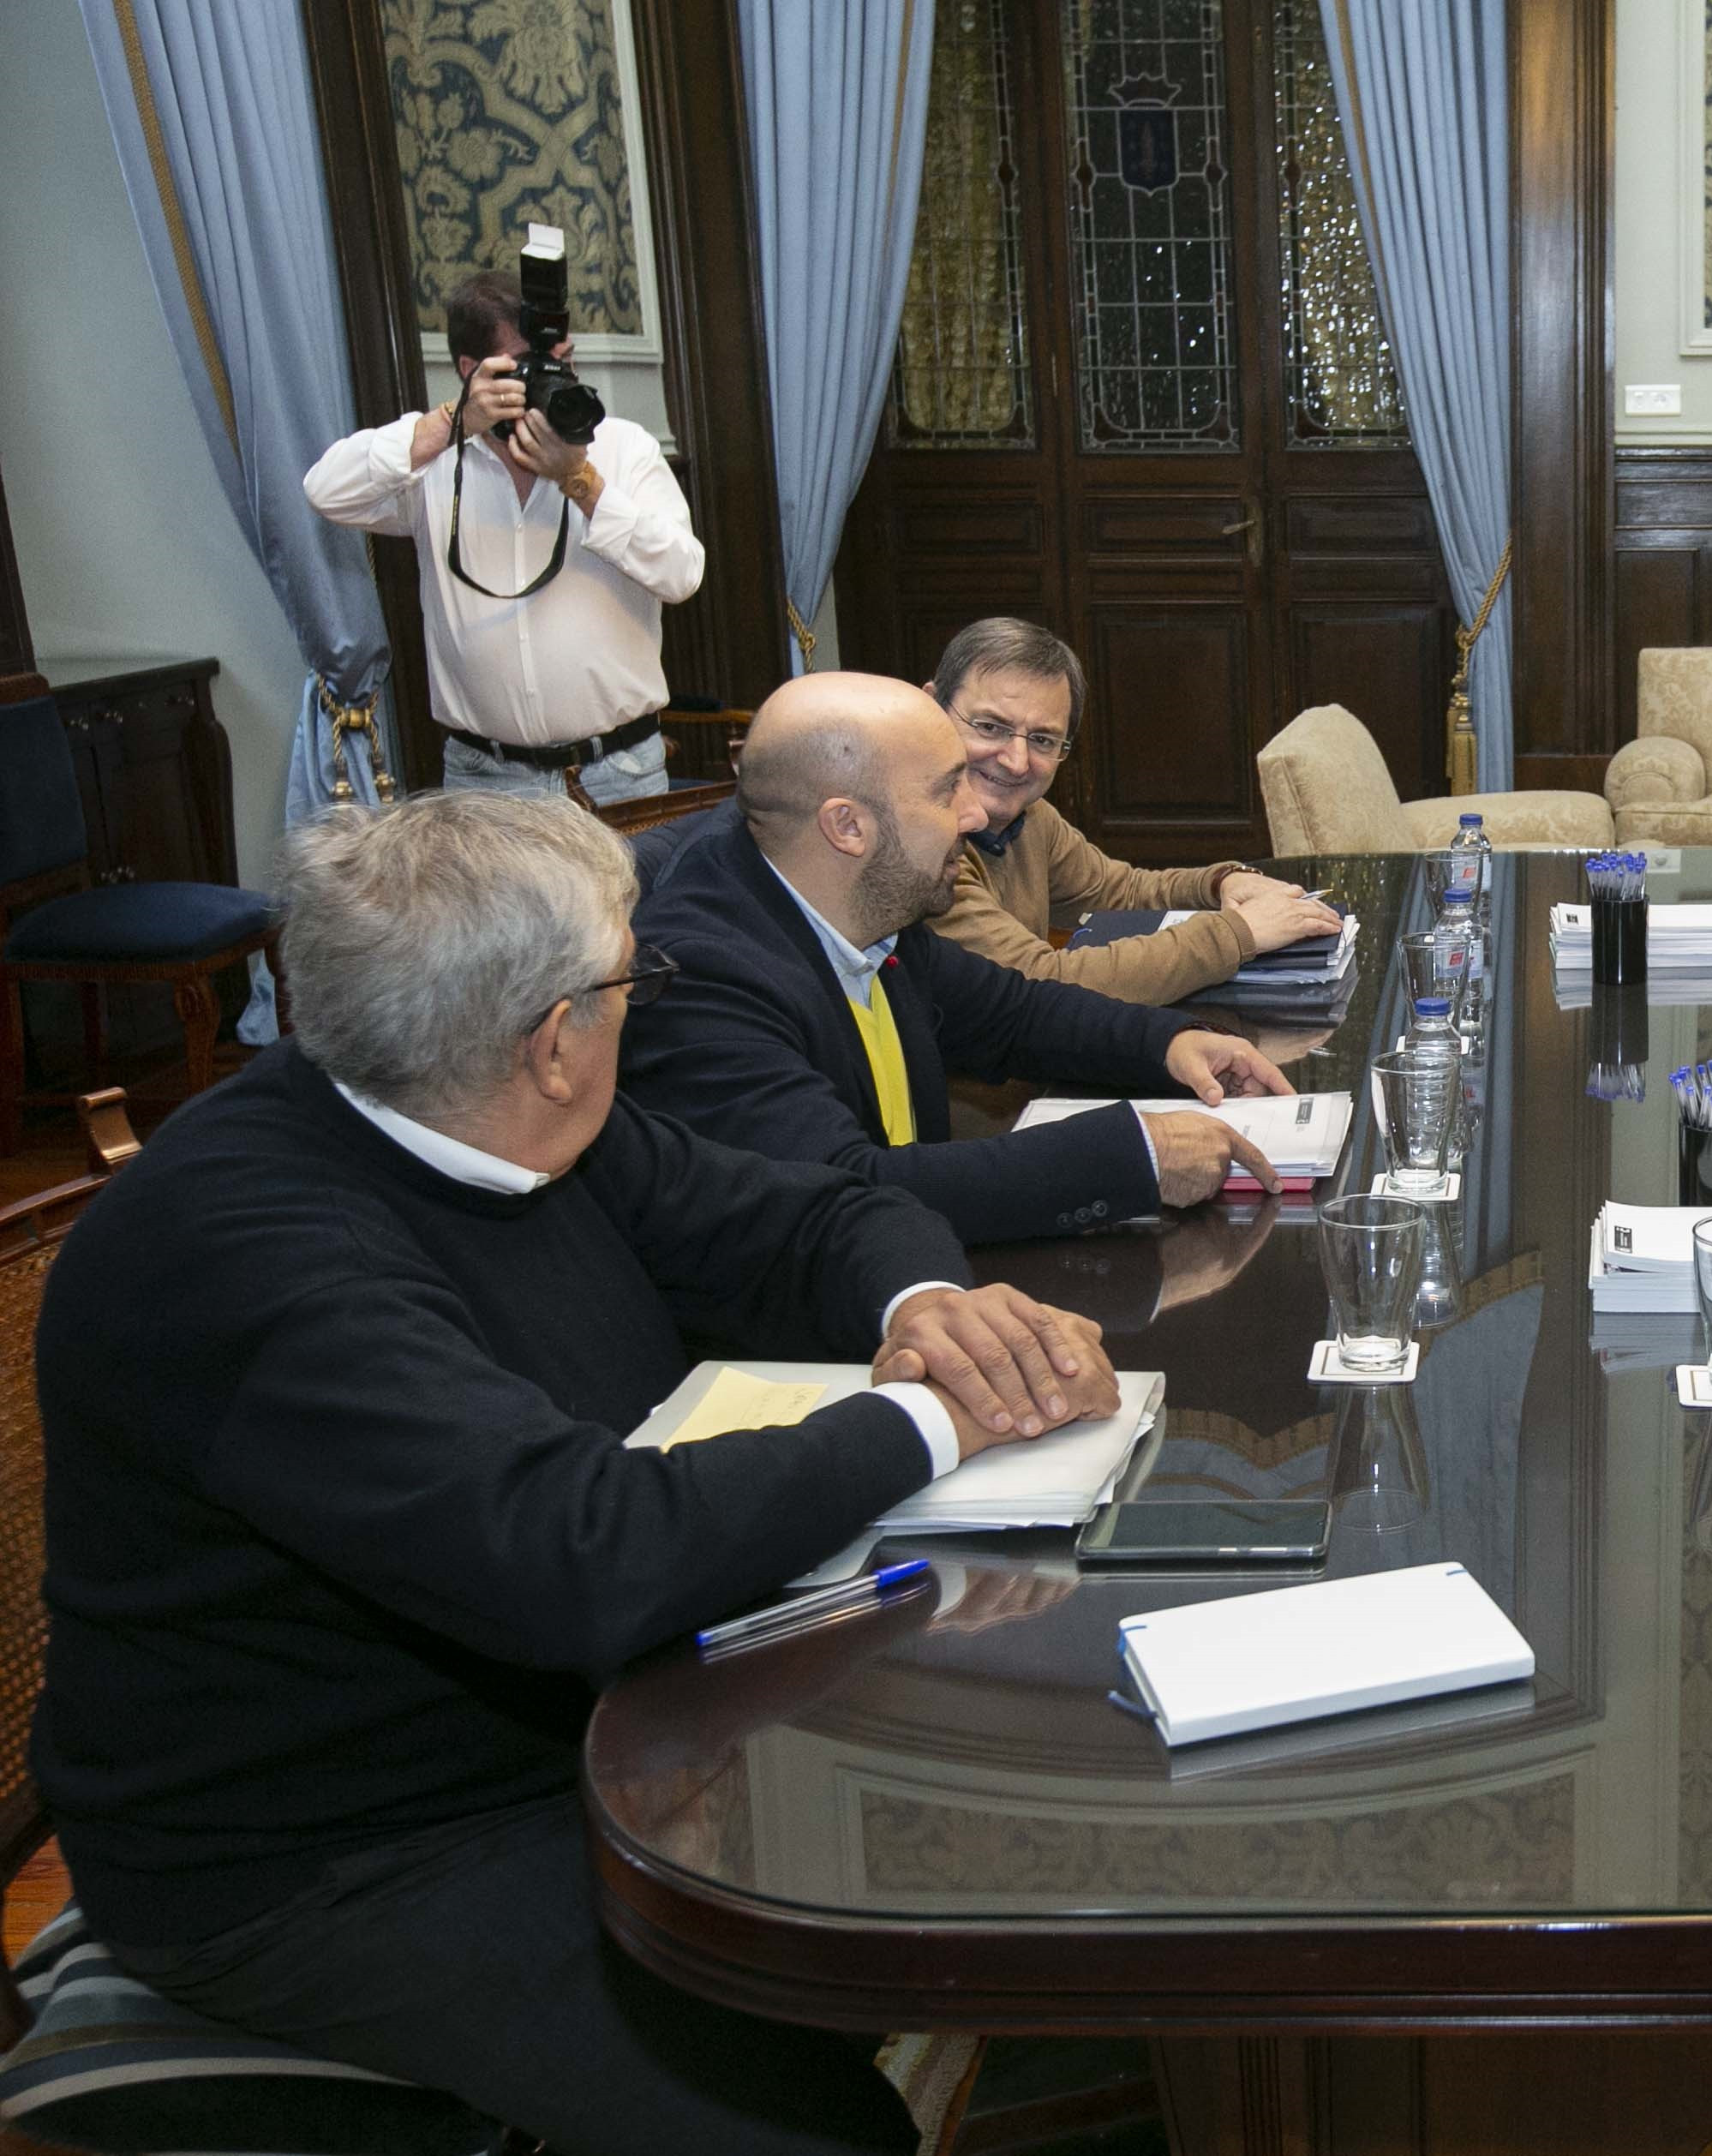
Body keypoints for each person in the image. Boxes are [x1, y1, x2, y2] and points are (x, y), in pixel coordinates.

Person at [34, 791, 1116, 2153]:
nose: (641, 1000)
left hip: (581, 1716)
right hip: (329, 1856)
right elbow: (584, 1554)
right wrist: (936, 1423)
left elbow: (819, 1211)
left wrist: (921, 1310)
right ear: (555, 1040)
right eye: (631, 974)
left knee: (1012, 1838)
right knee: (816, 2127)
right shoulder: (243, 1253)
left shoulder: (508, 1118)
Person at [624, 673, 1290, 1246]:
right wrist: (1133, 1154)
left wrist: (1173, 1043)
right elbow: (848, 1187)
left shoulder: (874, 913)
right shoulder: (700, 977)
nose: (975, 815)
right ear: (847, 826)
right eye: (948, 791)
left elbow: (1014, 1014)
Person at [304, 267, 702, 804]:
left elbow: (682, 574)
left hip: (617, 772)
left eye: (561, 361)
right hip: (484, 782)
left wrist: (580, 481)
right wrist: (450, 422)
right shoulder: (436, 467)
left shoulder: (624, 449)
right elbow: (326, 491)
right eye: (529, 367)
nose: (552, 379)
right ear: (473, 370)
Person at [921, 618, 1342, 1001]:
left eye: (1043, 740)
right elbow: (1040, 983)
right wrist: (1240, 933)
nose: (1016, 761)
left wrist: (1220, 884)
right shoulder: (919, 848)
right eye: (991, 727)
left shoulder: (1029, 817)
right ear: (932, 707)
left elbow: (1118, 892)